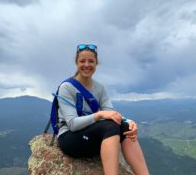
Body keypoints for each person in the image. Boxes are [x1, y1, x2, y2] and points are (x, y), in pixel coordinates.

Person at [56, 44, 149, 175]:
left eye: (91, 61)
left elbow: (112, 114)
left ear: (96, 63)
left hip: (90, 138)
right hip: (70, 139)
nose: (86, 65)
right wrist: (99, 115)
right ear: (76, 62)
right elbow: (72, 124)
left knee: (125, 127)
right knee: (110, 127)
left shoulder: (99, 88)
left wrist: (129, 122)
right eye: (82, 61)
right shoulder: (67, 87)